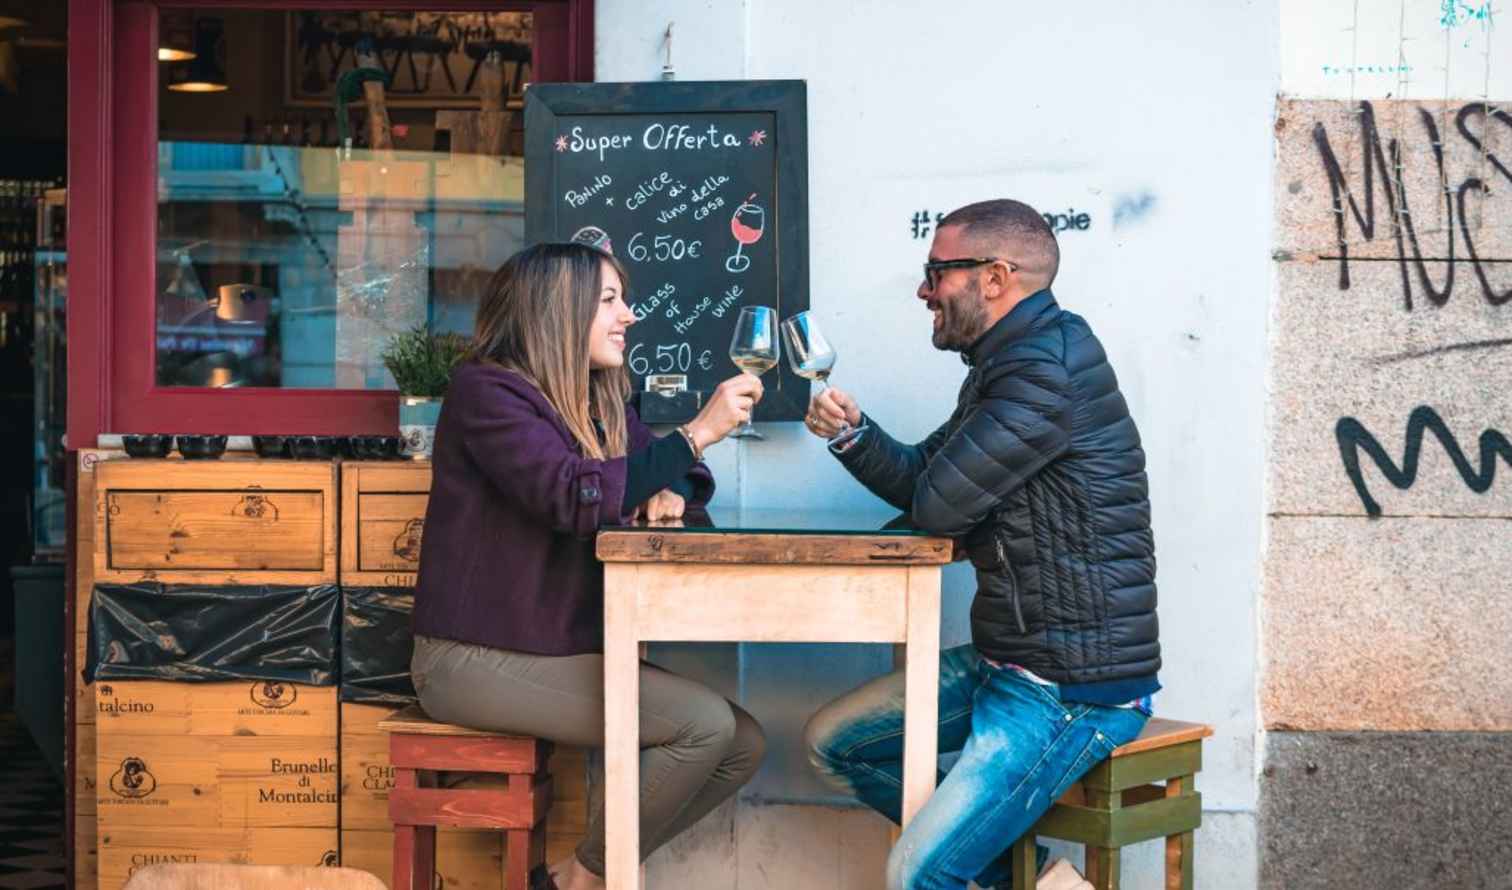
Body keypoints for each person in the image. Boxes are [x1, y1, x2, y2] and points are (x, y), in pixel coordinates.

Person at [800, 200, 1159, 890]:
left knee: (917, 874)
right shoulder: (1009, 362)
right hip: (1013, 659)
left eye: (936, 271)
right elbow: (923, 482)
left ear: (995, 277)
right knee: (836, 745)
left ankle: (988, 868)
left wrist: (944, 513)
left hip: (1071, 687)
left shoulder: (1042, 370)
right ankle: (1029, 880)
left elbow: (937, 505)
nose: (923, 290)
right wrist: (852, 434)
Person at [410, 242, 768, 890]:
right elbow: (573, 494)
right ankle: (585, 880)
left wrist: (674, 487)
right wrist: (697, 431)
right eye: (610, 300)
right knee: (704, 726)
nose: (630, 315)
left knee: (739, 743)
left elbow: (677, 471)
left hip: (556, 651)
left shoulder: (599, 396)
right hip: (472, 658)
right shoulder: (486, 392)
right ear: (558, 309)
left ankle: (577, 874)